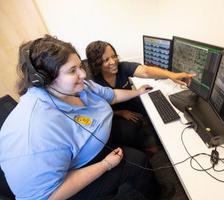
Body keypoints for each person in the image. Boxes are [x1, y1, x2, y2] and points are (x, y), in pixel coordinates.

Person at [0, 35, 160, 200]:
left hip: (92, 144)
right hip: (71, 181)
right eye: (72, 71)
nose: (83, 74)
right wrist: (105, 165)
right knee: (138, 162)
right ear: (44, 80)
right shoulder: (34, 131)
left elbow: (110, 95)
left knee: (130, 131)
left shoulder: (76, 87)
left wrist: (137, 92)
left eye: (80, 66)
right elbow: (46, 196)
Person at [85, 40, 195, 153]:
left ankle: (161, 141)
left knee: (152, 107)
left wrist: (171, 75)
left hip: (129, 102)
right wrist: (121, 112)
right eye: (106, 60)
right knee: (129, 131)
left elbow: (146, 71)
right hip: (111, 114)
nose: (113, 62)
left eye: (114, 56)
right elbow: (95, 111)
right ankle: (141, 150)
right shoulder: (93, 83)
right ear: (96, 64)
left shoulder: (122, 67)